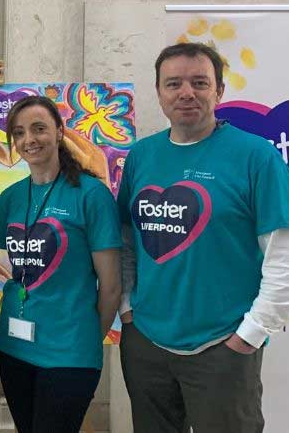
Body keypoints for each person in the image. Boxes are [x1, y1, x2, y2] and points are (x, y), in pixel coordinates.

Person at [118, 42, 289, 433]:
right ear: (159, 92)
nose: (186, 92)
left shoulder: (256, 157)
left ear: (220, 91)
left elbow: (282, 255)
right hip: (146, 342)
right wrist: (127, 308)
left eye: (199, 82)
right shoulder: (141, 157)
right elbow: (128, 242)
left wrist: (251, 334)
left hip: (222, 347)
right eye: (173, 83)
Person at [0, 96, 122, 433]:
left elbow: (110, 285)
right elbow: (18, 271)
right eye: (19, 132)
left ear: (59, 132)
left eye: (39, 129)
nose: (29, 140)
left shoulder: (91, 195)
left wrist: (87, 339)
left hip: (69, 351)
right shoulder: (9, 198)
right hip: (14, 346)